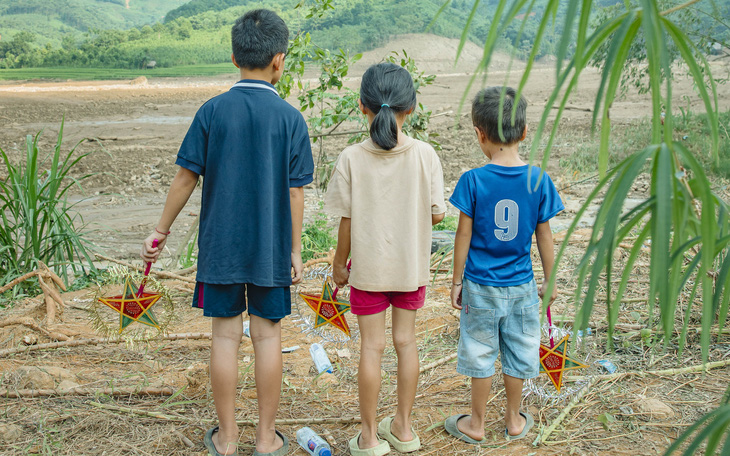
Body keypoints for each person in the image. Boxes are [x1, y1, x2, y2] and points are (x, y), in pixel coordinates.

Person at [140, 9, 313, 456]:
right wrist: (294, 250)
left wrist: (160, 231)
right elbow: (296, 194)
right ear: (280, 60)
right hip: (272, 248)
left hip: (221, 245)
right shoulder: (291, 120)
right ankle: (266, 438)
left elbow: (185, 178)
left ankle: (229, 439)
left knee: (224, 336)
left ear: (234, 56)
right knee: (268, 336)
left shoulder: (212, 111)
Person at [326, 62, 447, 456]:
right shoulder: (425, 155)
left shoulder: (350, 158)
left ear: (363, 106)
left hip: (369, 272)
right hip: (410, 270)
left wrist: (339, 264)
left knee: (371, 349)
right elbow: (437, 213)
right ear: (410, 108)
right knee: (406, 342)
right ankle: (404, 428)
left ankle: (368, 437)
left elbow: (346, 223)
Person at [445, 86, 564, 444]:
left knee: (480, 353)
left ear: (480, 134)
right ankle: (514, 419)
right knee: (518, 350)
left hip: (480, 285)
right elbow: (544, 237)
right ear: (524, 132)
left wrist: (456, 281)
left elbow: (462, 236)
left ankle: (476, 424)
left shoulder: (473, 180)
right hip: (523, 286)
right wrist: (551, 281)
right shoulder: (539, 180)